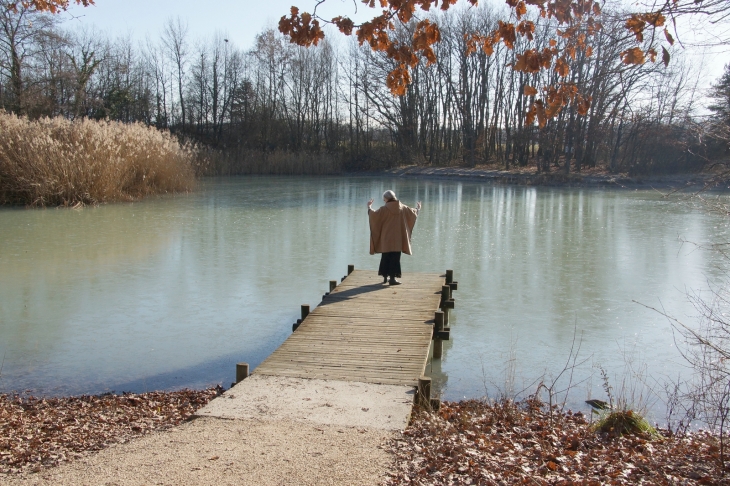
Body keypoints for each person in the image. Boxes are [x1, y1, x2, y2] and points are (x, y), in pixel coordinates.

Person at [367, 190, 422, 285]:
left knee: (385, 257)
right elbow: (412, 213)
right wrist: (418, 208)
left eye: (384, 199)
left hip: (386, 238)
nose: (384, 201)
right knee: (395, 258)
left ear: (386, 199)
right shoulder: (403, 208)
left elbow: (374, 216)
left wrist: (369, 207)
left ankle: (385, 277)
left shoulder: (383, 209)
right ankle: (392, 279)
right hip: (398, 238)